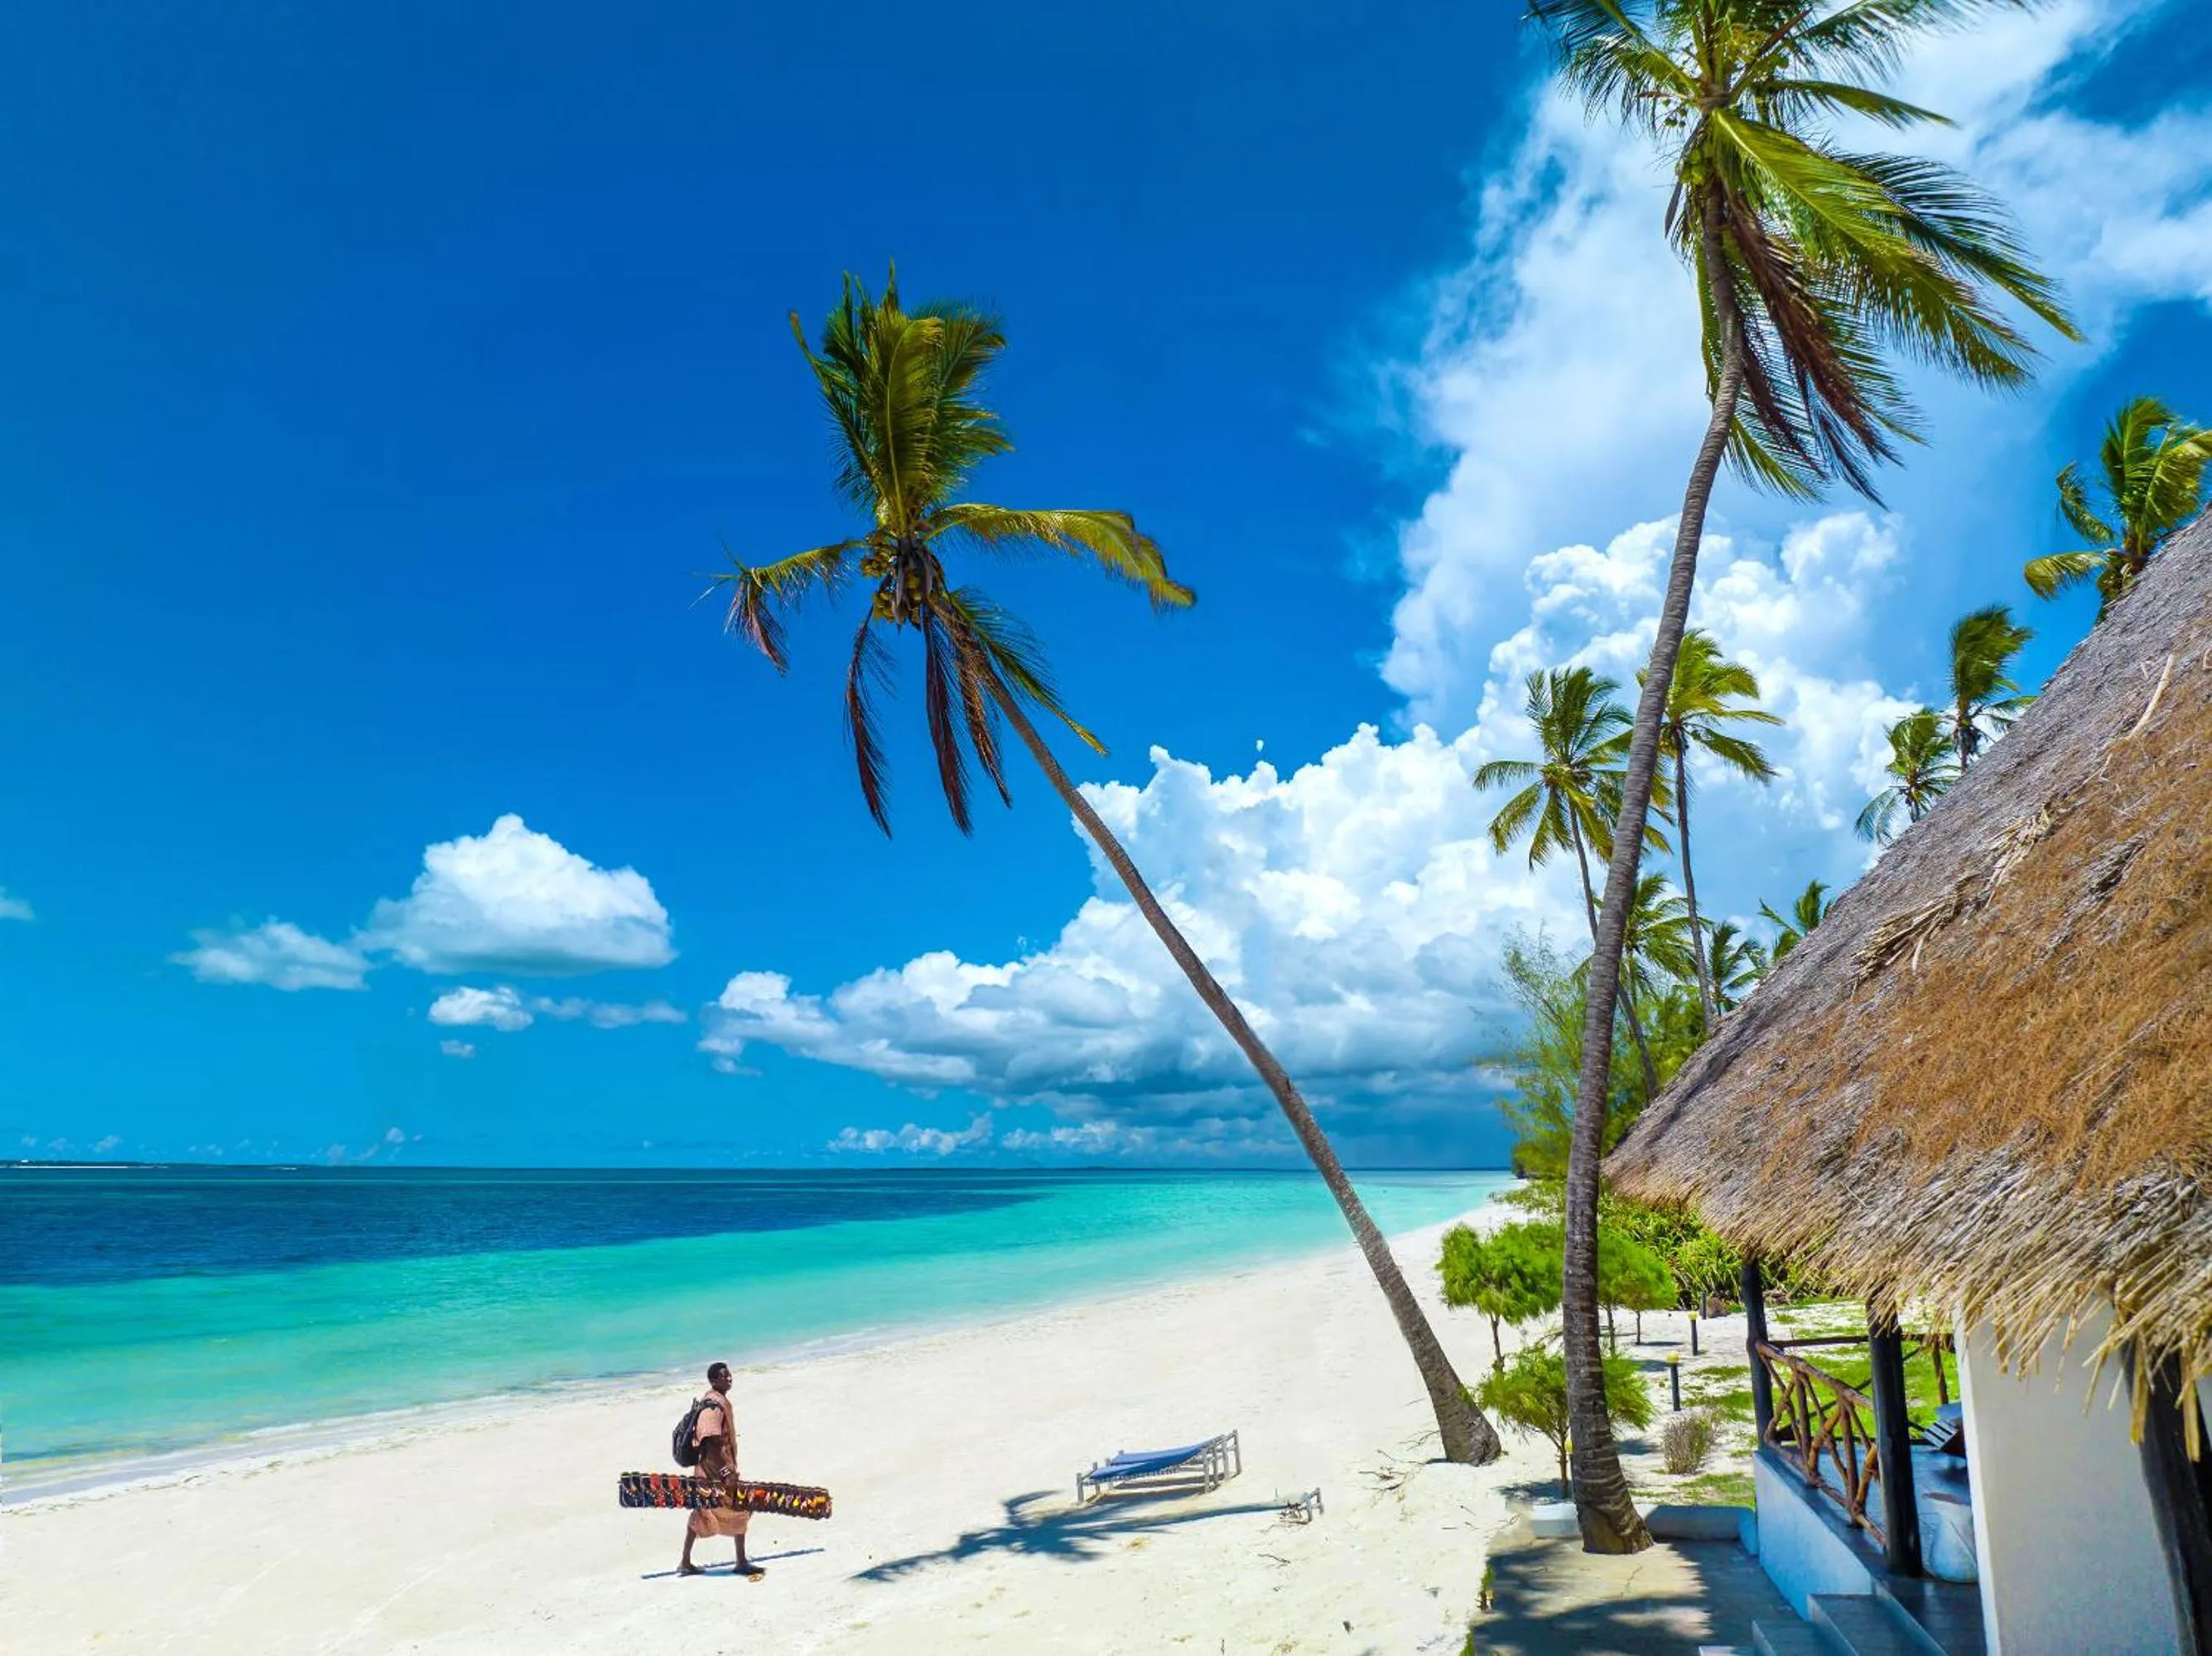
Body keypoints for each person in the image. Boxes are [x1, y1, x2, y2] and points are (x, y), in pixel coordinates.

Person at [678, 1362, 764, 1580]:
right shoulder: (714, 1406)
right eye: (724, 1376)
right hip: (716, 1471)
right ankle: (741, 1561)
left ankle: (686, 1562)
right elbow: (710, 1439)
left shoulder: (716, 1401)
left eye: (729, 1374)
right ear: (714, 1381)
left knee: (702, 1511)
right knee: (741, 1504)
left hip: (712, 1469)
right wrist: (725, 1471)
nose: (729, 1378)